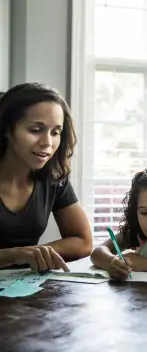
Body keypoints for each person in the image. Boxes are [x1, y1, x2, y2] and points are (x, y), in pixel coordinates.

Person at [0, 82, 93, 272]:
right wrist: (14, 255)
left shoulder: (53, 179)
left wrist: (37, 252)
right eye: (35, 130)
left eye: (55, 132)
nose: (47, 143)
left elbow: (83, 242)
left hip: (21, 290)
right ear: (7, 129)